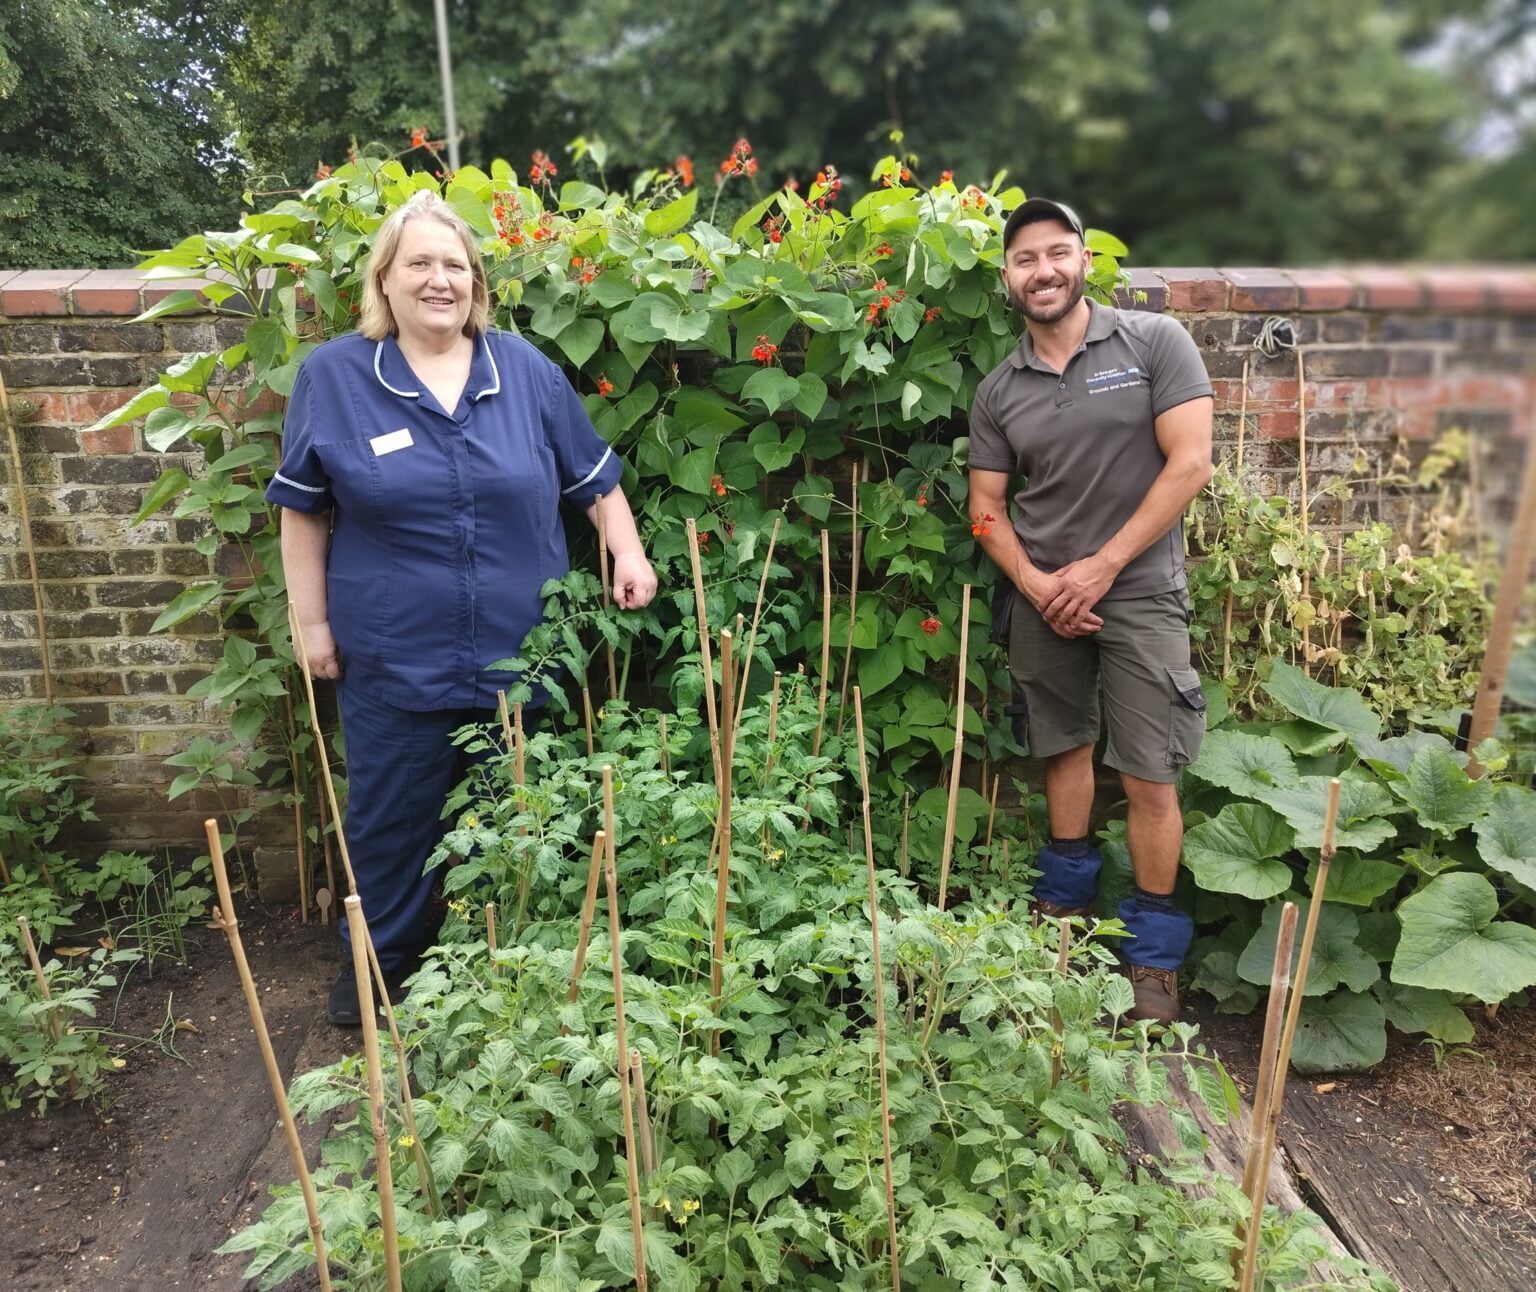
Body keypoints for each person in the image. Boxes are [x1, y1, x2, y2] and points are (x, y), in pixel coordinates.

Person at [267, 190, 657, 1026]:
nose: (438, 280)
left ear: (475, 282)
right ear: (386, 279)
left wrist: (626, 548)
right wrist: (311, 626)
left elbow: (594, 480)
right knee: (392, 823)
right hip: (391, 657)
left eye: (455, 265)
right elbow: (302, 510)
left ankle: (509, 966)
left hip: (525, 657)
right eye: (419, 263)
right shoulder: (335, 377)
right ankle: (381, 967)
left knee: (519, 814)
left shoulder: (525, 371)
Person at [967, 197, 1213, 1023]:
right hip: (1046, 601)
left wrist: (1102, 568)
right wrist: (1038, 586)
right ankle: (1063, 919)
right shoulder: (1000, 389)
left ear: (1083, 262)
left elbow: (1190, 465)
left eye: (1057, 252)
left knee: (1149, 771)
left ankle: (1151, 961)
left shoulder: (1153, 345)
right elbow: (985, 506)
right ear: (1007, 278)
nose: (1043, 270)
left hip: (1139, 593)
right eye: (1024, 259)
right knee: (1062, 751)